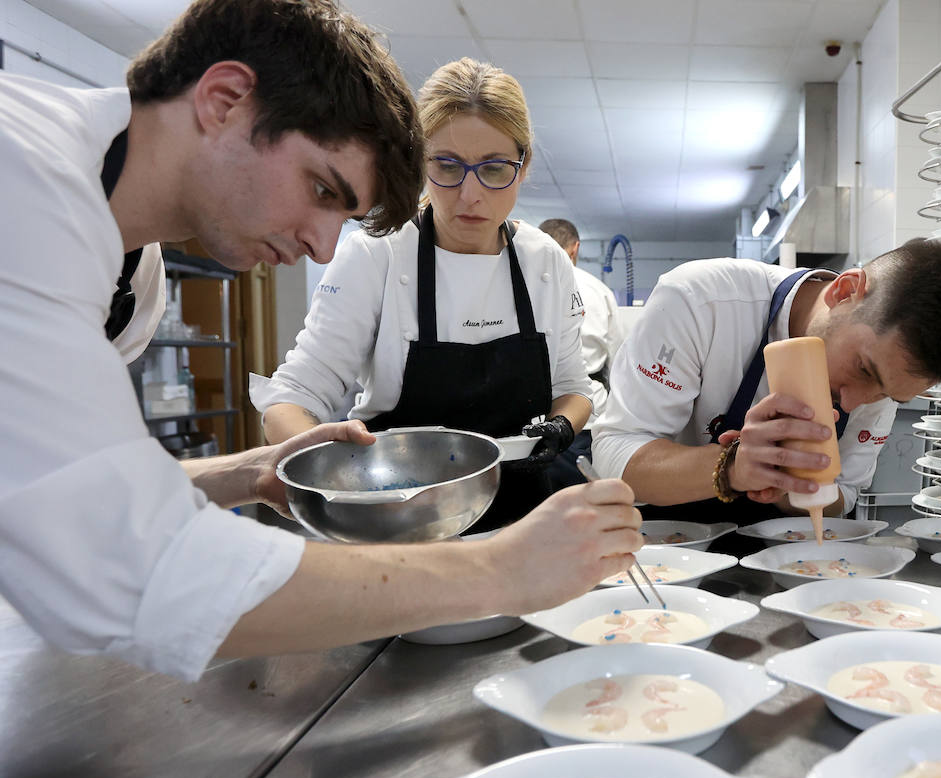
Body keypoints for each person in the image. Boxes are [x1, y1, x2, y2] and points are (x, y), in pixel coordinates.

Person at [0, 0, 640, 683]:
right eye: (320, 188)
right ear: (223, 100)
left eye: (345, 213)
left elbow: (69, 495)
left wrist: (247, 472)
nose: (323, 245)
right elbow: (126, 567)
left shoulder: (134, 276)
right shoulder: (27, 187)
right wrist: (502, 568)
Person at [254, 58, 592, 531]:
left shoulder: (545, 262)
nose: (470, 195)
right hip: (399, 521)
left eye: (495, 170)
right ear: (418, 160)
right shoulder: (378, 255)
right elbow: (292, 398)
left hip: (524, 521)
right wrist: (338, 482)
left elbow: (574, 388)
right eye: (447, 166)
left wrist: (560, 427)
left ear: (524, 164)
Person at [591, 241, 941, 522]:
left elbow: (844, 495)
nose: (852, 404)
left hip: (778, 557)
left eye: (886, 395)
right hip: (667, 547)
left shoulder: (885, 371)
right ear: (845, 291)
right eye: (864, 370)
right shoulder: (703, 300)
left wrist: (793, 488)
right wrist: (733, 466)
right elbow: (615, 452)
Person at [538, 217, 624, 487]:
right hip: (585, 418)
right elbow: (620, 359)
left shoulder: (522, 285)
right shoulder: (598, 290)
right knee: (579, 502)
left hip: (532, 418)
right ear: (574, 248)